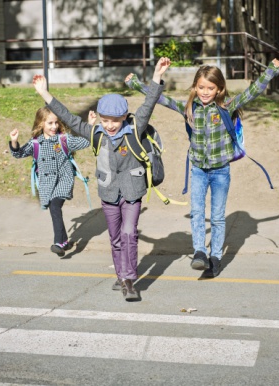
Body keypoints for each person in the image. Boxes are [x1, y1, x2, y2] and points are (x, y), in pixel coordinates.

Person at [125, 59, 279, 278]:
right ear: (194, 87)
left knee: (217, 217)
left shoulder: (226, 107)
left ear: (219, 89)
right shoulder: (188, 108)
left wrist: (271, 71)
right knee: (197, 213)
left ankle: (215, 257)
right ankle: (200, 252)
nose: (205, 92)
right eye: (201, 87)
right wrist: (136, 84)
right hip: (198, 170)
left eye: (210, 88)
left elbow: (253, 91)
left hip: (221, 171)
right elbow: (161, 98)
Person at [32, 57, 171, 301]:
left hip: (132, 190)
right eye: (105, 120)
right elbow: (69, 117)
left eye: (114, 121)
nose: (109, 125)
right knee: (115, 238)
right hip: (108, 191)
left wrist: (157, 76)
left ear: (124, 117)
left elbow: (149, 104)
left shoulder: (135, 128)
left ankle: (129, 279)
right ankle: (120, 275)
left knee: (129, 234)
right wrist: (45, 93)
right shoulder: (96, 131)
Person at [9, 107, 90, 257]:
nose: (54, 127)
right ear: (41, 124)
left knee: (54, 207)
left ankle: (58, 243)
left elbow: (85, 143)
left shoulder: (64, 139)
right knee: (54, 208)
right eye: (50, 123)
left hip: (63, 179)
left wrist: (89, 126)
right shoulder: (35, 144)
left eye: (56, 123)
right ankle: (64, 240)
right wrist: (14, 142)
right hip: (46, 183)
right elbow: (18, 153)